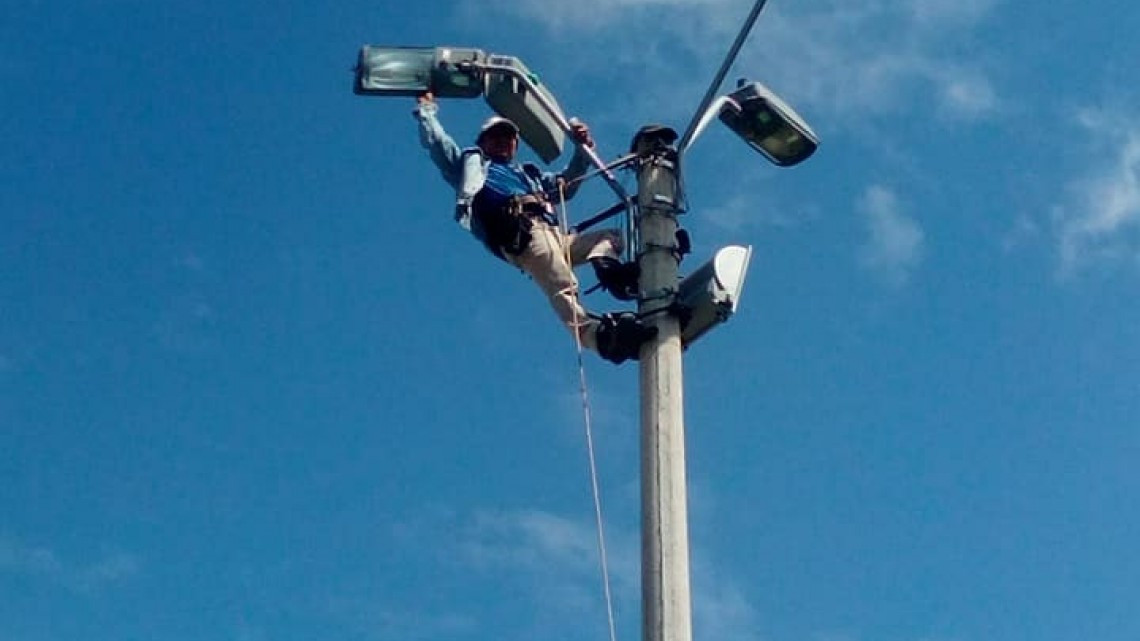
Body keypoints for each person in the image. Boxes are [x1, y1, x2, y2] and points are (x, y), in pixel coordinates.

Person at [412, 92, 654, 364]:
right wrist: (427, 109)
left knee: (610, 237)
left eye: (508, 137)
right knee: (562, 283)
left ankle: (611, 272)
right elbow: (438, 144)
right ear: (483, 142)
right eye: (495, 137)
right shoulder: (472, 167)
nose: (502, 141)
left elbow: (568, 183)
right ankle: (597, 337)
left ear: (515, 144)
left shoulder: (530, 176)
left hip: (554, 235)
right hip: (524, 233)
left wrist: (582, 150)